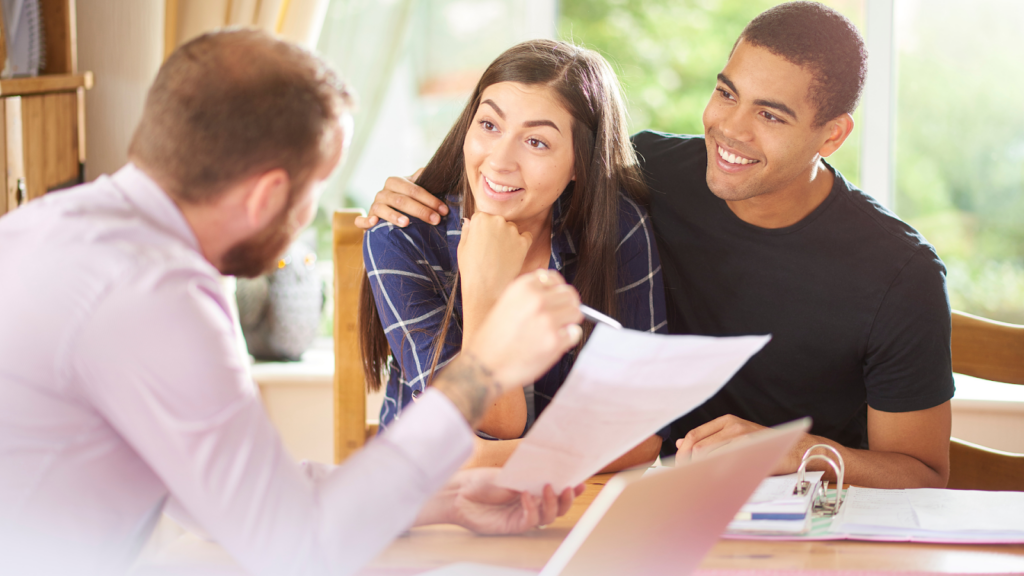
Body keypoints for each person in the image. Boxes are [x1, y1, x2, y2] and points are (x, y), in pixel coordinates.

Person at [0, 30, 585, 576]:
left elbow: (234, 499)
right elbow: (294, 546)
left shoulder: (50, 228)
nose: (306, 219)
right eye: (314, 193)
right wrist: (482, 372)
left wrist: (450, 499)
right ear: (267, 196)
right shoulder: (155, 293)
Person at [354, 2, 954, 489]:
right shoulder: (646, 180)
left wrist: (792, 449)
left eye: (770, 116)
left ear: (833, 134)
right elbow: (513, 166)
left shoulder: (899, 274)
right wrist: (407, 209)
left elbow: (924, 473)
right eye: (726, 93)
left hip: (785, 513)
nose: (731, 129)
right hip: (628, 491)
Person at [359, 39, 667, 470]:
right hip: (426, 505)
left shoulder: (615, 229)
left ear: (581, 161)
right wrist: (487, 288)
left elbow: (643, 435)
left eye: (537, 142)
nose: (499, 161)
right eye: (489, 125)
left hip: (566, 501)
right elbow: (491, 423)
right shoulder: (403, 236)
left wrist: (490, 458)